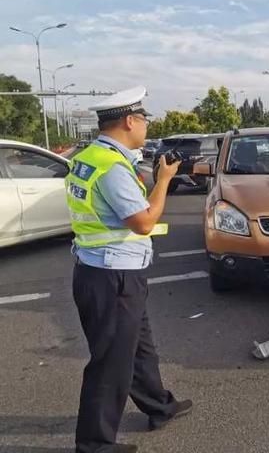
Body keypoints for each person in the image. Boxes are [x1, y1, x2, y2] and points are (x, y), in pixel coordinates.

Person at [65, 86, 192, 453]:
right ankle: (94, 444)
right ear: (129, 120)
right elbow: (143, 222)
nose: (147, 127)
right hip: (112, 276)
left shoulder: (89, 155)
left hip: (105, 270)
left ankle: (159, 407)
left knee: (139, 348)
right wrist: (164, 181)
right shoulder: (112, 168)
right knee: (110, 363)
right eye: (144, 120)